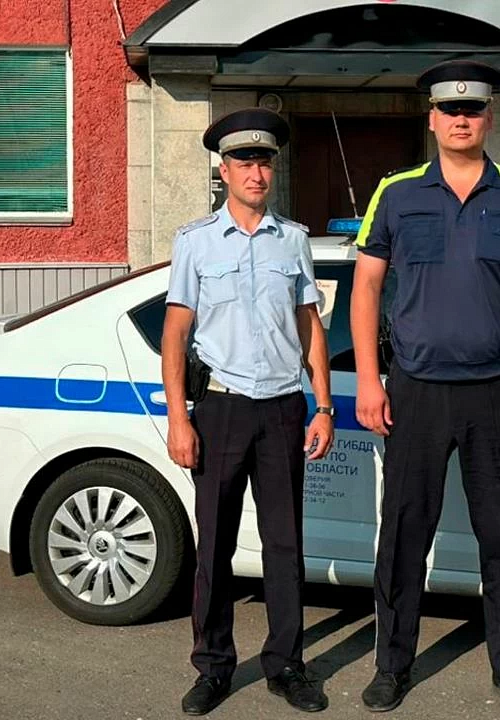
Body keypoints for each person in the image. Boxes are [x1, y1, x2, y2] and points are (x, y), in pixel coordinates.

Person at [349, 60, 500, 720]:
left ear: (489, 119)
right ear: (433, 119)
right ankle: (392, 665)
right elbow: (364, 287)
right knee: (403, 534)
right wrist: (369, 379)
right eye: (450, 110)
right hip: (414, 391)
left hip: (496, 393)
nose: (461, 119)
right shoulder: (396, 193)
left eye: (472, 110)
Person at [161, 107, 336, 716]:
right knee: (214, 544)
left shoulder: (294, 239)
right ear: (224, 170)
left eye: (264, 162)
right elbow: (176, 333)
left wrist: (322, 406)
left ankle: (286, 665)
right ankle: (213, 667)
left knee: (285, 545)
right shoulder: (195, 242)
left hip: (283, 407)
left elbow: (309, 324)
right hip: (222, 408)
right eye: (243, 162)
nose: (255, 172)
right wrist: (179, 418)